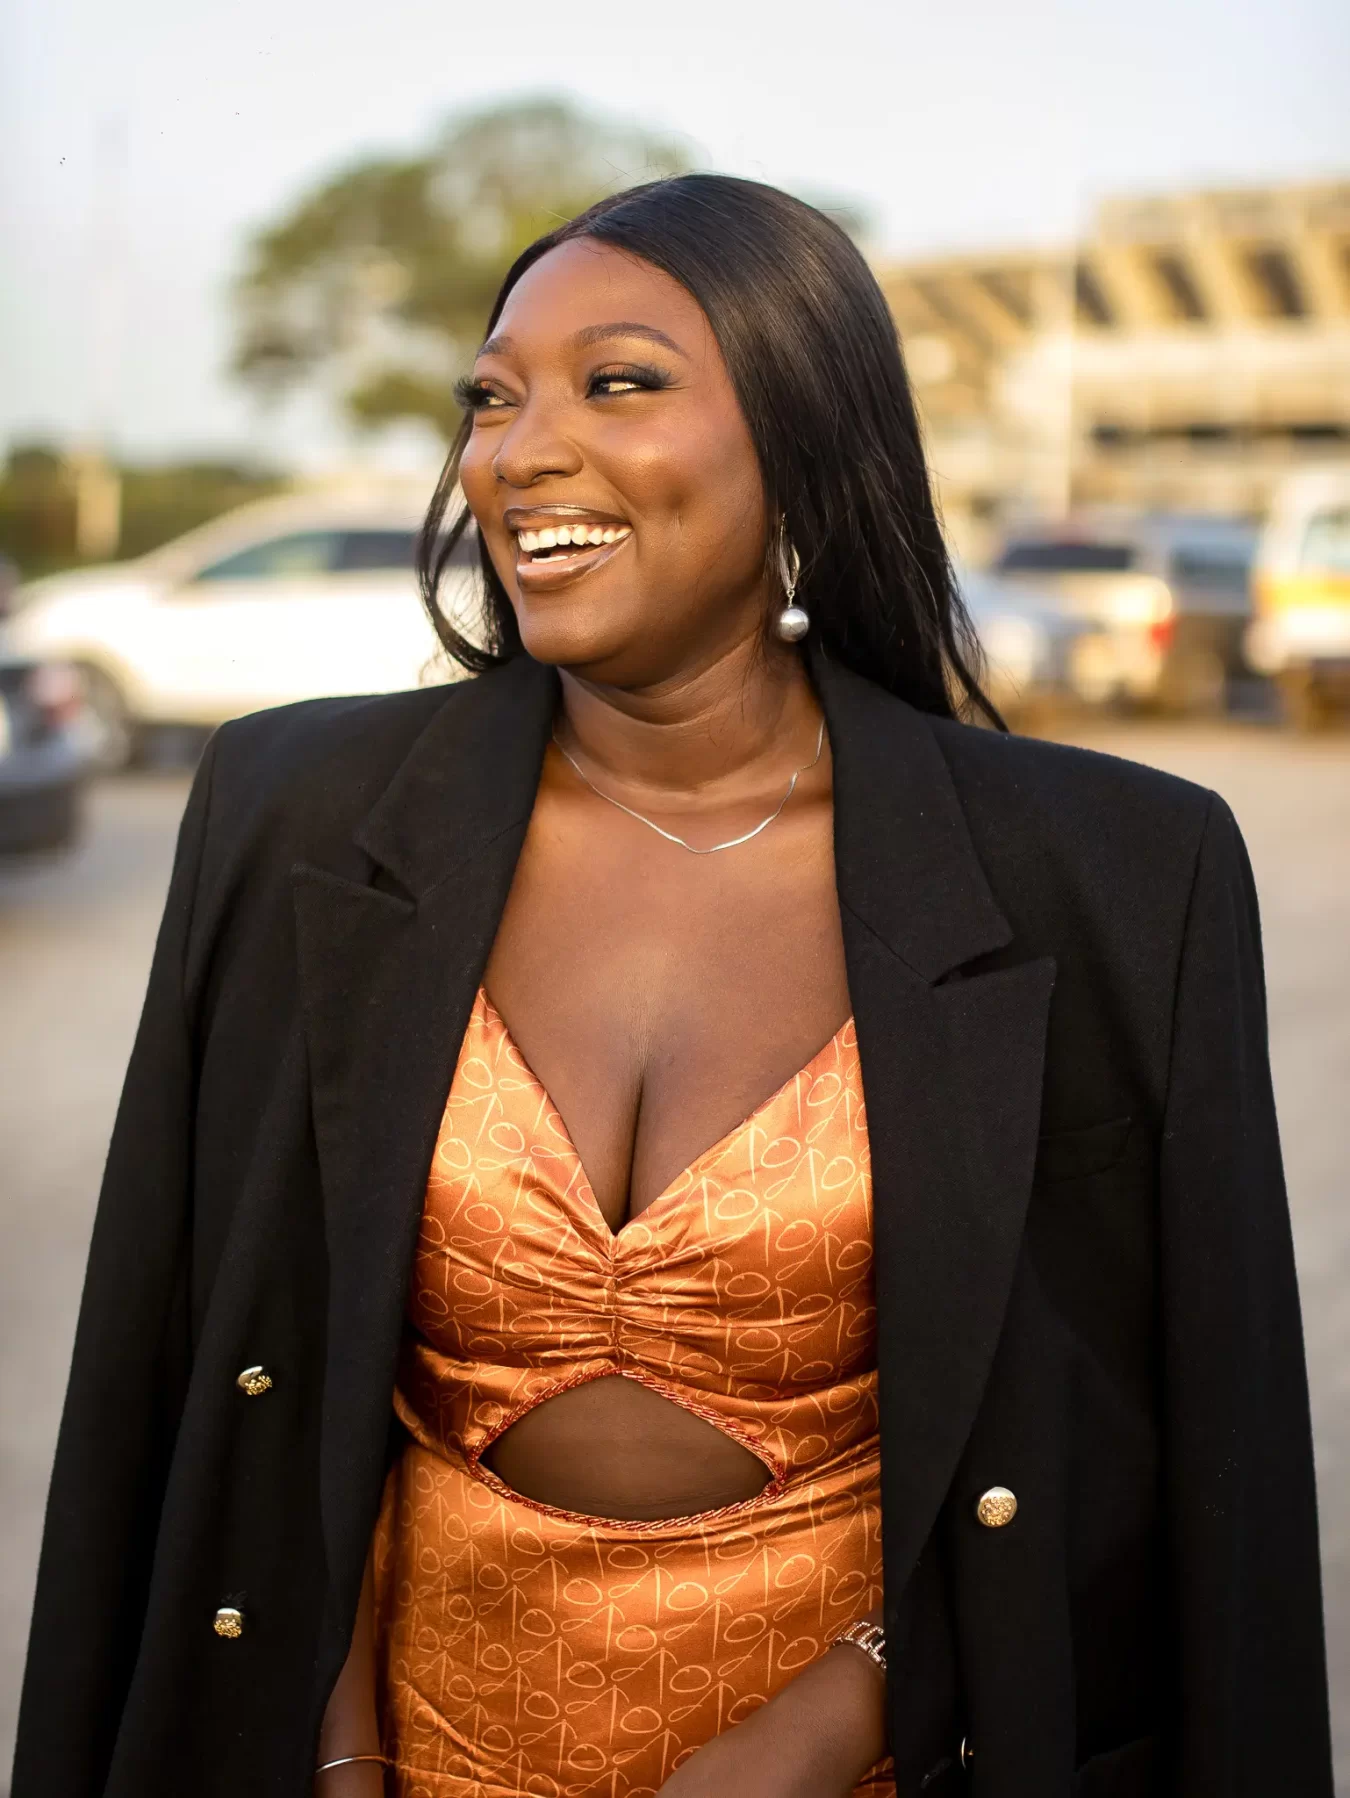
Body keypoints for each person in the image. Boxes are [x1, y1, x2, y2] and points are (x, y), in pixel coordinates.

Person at [12, 176, 1331, 1798]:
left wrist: (822, 1727)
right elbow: (200, 1366)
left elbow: (1182, 1460)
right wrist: (338, 1744)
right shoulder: (295, 818)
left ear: (804, 438)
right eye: (492, 398)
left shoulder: (1116, 873)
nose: (519, 451)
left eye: (617, 382)